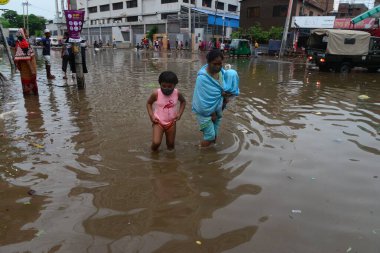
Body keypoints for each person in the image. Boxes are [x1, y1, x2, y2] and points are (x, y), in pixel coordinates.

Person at [192, 49, 239, 147]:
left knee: (214, 135)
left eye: (220, 64)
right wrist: (212, 114)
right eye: (215, 64)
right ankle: (200, 153)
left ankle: (211, 157)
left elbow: (221, 90)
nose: (218, 66)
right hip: (205, 112)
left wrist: (225, 96)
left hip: (218, 108)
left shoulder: (221, 73)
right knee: (210, 136)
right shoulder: (203, 78)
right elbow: (203, 101)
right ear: (208, 62)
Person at [146, 71, 186, 151]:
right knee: (156, 143)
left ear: (174, 85)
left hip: (171, 122)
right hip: (158, 122)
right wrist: (151, 116)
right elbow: (148, 103)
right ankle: (153, 157)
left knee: (171, 146)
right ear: (160, 84)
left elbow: (183, 102)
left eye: (169, 86)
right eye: (163, 86)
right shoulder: (156, 93)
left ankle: (169, 162)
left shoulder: (177, 93)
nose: (166, 88)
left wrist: (179, 114)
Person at [14, 28, 38, 95]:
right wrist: (32, 70)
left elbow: (17, 58)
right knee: (31, 86)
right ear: (23, 34)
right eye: (26, 33)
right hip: (28, 69)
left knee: (25, 85)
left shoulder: (18, 43)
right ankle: (33, 102)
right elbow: (27, 59)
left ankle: (28, 102)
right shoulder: (24, 44)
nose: (27, 34)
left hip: (23, 69)